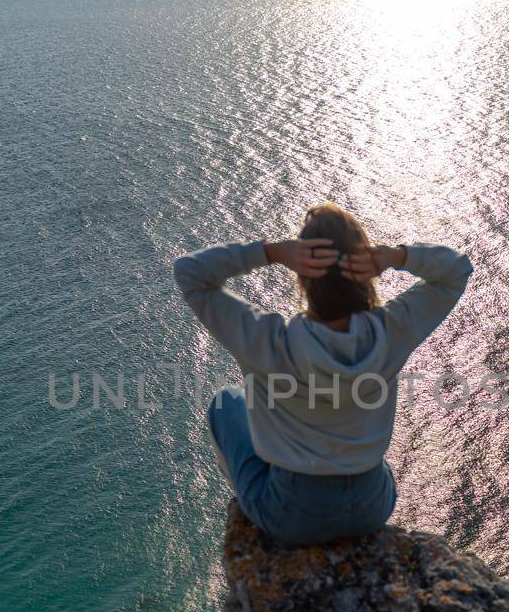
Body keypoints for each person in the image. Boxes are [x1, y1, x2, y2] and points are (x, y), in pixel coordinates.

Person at [173, 202, 472, 545]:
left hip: (293, 516)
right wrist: (394, 257)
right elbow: (456, 270)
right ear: (363, 272)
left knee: (226, 402)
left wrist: (270, 252)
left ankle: (248, 505)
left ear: (301, 277)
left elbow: (190, 272)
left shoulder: (269, 341)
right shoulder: (390, 332)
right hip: (372, 505)